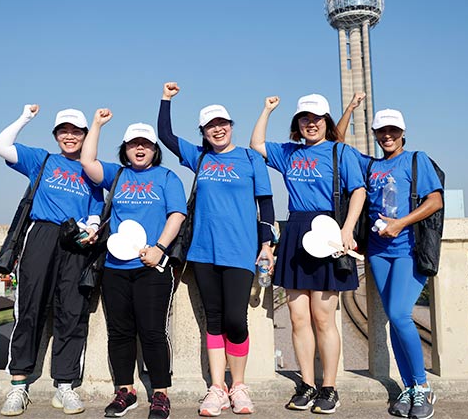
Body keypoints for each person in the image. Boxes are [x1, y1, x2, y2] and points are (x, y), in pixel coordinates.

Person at [157, 82, 275, 416]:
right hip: (203, 252)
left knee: (236, 320)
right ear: (204, 132)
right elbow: (165, 135)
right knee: (213, 320)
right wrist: (166, 99)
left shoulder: (251, 158)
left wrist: (266, 245)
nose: (217, 129)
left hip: (240, 251)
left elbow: (265, 203)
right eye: (210, 126)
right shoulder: (199, 157)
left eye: (222, 123)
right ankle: (216, 388)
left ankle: (238, 385)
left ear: (230, 126)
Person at [250, 94, 366, 414]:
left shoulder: (339, 151)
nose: (310, 123)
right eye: (304, 118)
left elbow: (358, 190)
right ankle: (307, 384)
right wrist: (267, 109)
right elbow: (257, 142)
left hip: (328, 229)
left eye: (316, 118)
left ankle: (329, 387)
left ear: (327, 122)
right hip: (297, 229)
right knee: (298, 317)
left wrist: (347, 229)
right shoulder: (288, 153)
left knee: (323, 317)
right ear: (297, 124)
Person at [0, 105, 104, 416]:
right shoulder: (42, 160)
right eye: (64, 131)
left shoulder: (90, 167)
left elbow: (96, 206)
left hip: (76, 242)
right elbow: (0, 145)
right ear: (56, 135)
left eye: (76, 131)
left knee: (72, 310)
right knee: (30, 308)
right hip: (41, 235)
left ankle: (65, 385)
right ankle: (18, 384)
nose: (70, 136)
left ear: (84, 136)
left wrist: (93, 227)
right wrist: (25, 117)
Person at [80, 109, 187, 419]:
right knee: (120, 332)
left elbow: (177, 215)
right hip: (115, 267)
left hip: (152, 266)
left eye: (146, 144)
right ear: (124, 149)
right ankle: (125, 391)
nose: (139, 149)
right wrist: (97, 125)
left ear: (155, 149)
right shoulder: (118, 175)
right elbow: (88, 162)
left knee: (153, 332)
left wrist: (160, 248)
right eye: (133, 144)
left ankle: (160, 394)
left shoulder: (167, 177)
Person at [338, 107, 443, 419]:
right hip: (378, 252)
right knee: (394, 323)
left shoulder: (416, 159)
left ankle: (423, 388)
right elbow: (339, 141)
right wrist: (351, 109)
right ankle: (409, 388)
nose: (387, 136)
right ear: (374, 134)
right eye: (381, 131)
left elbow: (434, 200)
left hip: (407, 249)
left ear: (402, 133)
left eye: (393, 131)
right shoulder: (370, 165)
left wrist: (401, 223)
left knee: (399, 315)